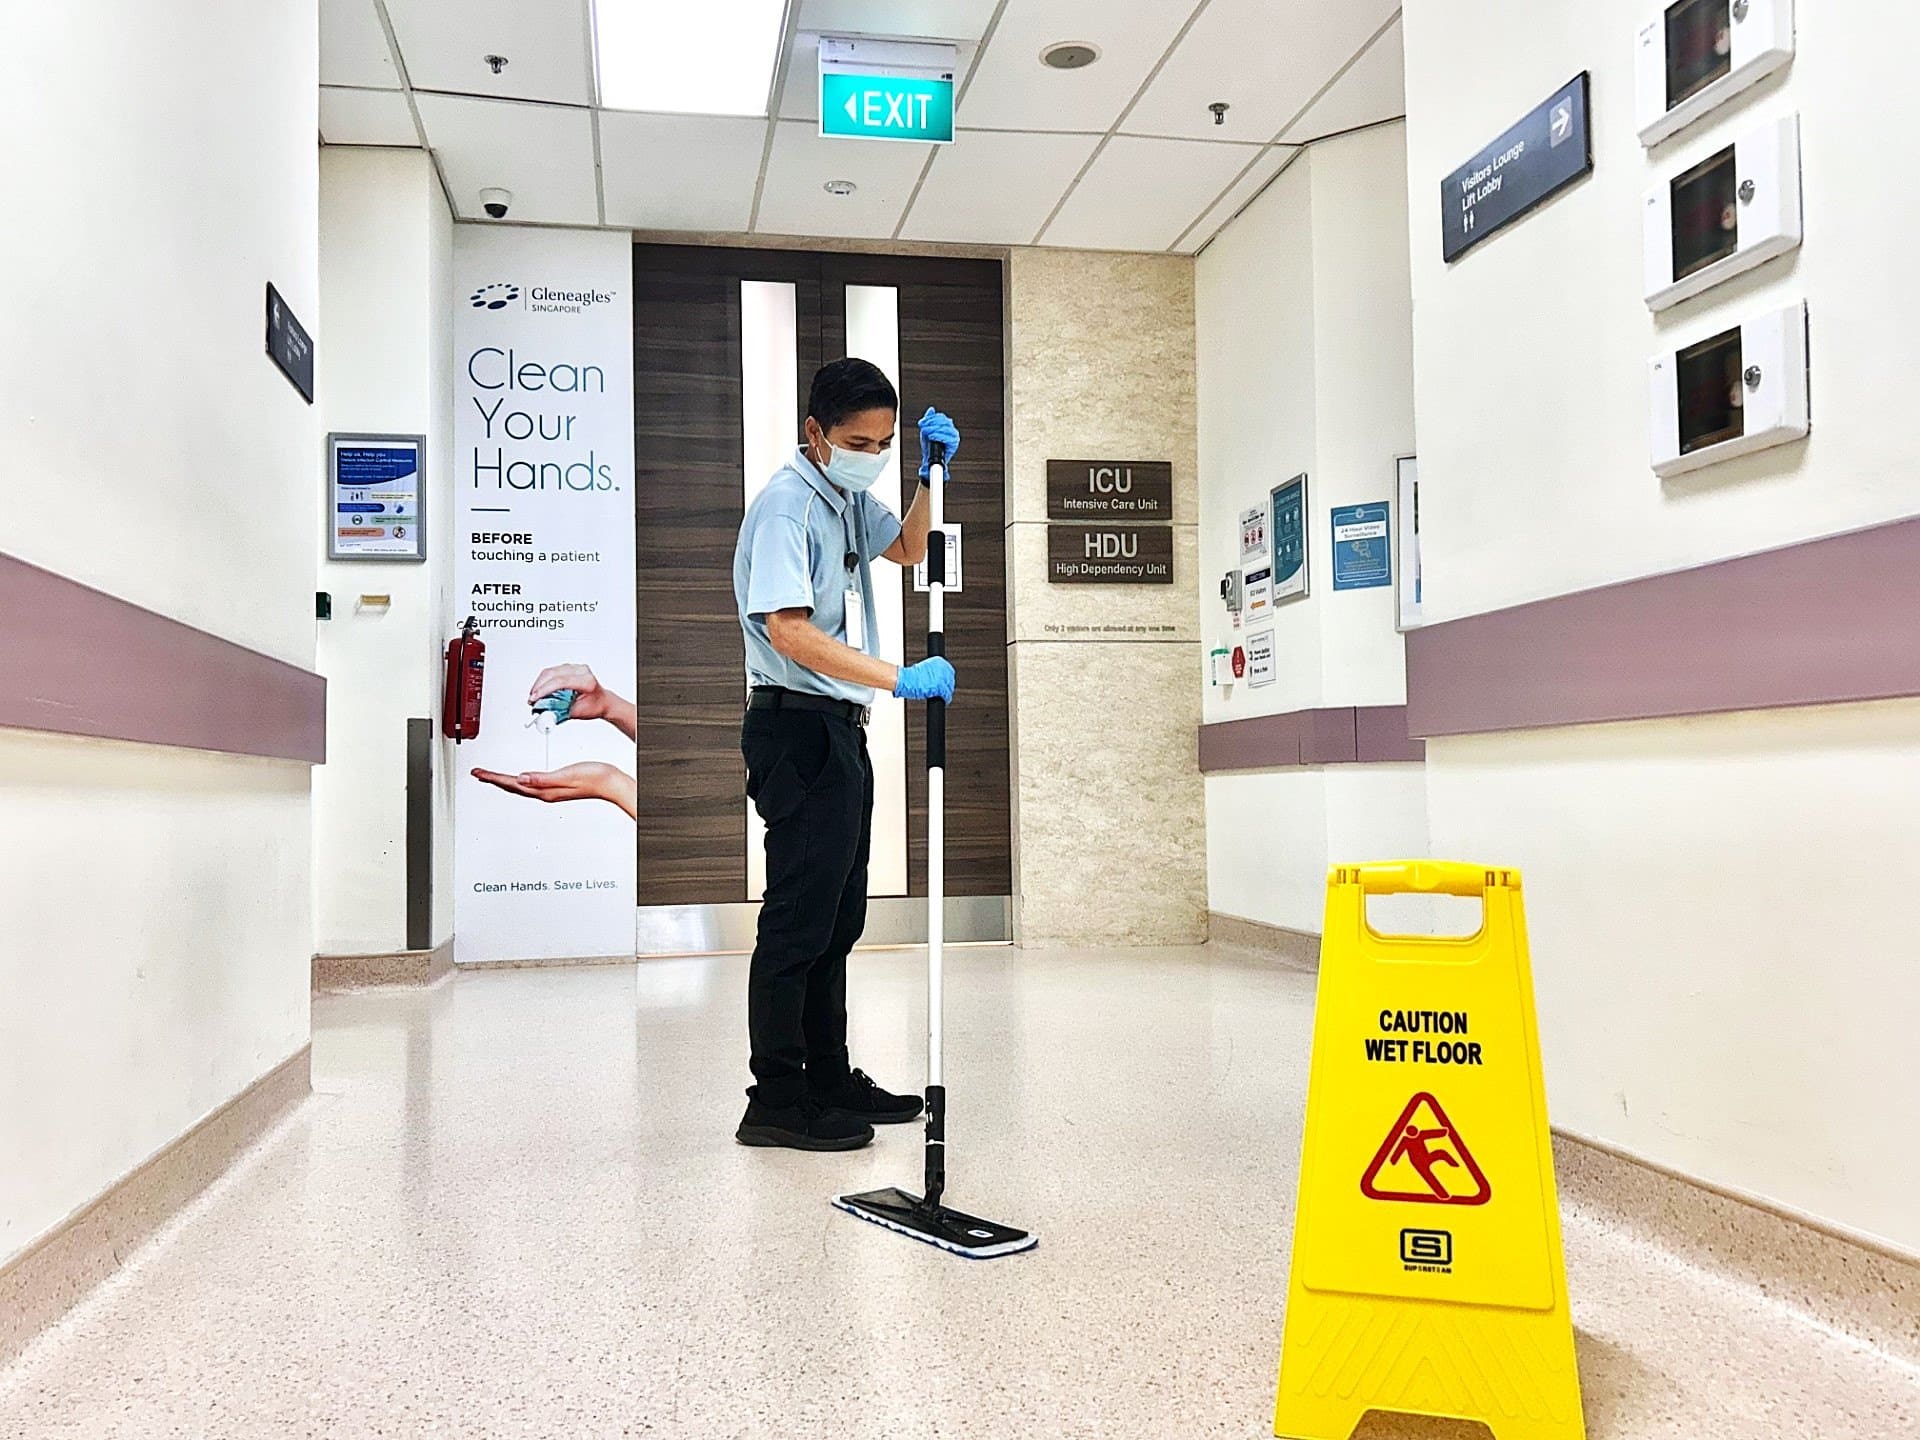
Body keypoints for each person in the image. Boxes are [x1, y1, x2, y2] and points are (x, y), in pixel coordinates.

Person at [731, 357, 959, 1151]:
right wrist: (900, 678)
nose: (873, 452)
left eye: (886, 441)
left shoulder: (846, 499)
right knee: (798, 920)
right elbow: (788, 631)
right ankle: (777, 1099)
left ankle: (828, 1075)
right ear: (814, 434)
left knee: (839, 918)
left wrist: (930, 475)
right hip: (794, 728)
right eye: (859, 440)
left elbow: (908, 549)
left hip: (837, 730)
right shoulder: (786, 508)